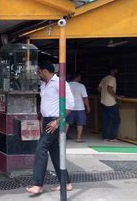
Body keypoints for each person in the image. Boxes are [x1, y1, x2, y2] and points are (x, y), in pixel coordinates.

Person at [26, 61, 74, 194]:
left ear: (45, 71)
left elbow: (70, 105)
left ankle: (37, 184)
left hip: (55, 121)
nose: (37, 74)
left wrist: (57, 122)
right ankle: (66, 182)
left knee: (41, 149)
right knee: (55, 153)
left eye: (38, 72)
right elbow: (46, 104)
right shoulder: (44, 84)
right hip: (47, 120)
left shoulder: (61, 83)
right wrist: (42, 120)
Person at [98, 67, 121, 142]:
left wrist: (103, 94)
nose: (117, 72)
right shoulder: (112, 78)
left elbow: (99, 88)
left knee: (105, 120)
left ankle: (105, 137)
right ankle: (112, 137)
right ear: (112, 71)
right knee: (116, 120)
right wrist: (116, 97)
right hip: (111, 102)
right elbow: (109, 88)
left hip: (103, 102)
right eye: (116, 70)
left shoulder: (104, 78)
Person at [66, 72, 90, 143]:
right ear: (77, 77)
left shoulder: (67, 85)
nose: (80, 78)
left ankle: (62, 138)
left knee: (67, 122)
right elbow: (85, 97)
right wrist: (88, 106)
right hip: (79, 107)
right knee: (80, 123)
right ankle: (79, 138)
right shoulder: (81, 86)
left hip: (69, 107)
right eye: (79, 77)